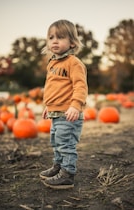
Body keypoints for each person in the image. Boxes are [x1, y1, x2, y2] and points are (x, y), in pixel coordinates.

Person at [39, 19, 88, 189]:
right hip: (56, 112)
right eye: (51, 37)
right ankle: (58, 166)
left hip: (69, 113)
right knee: (56, 142)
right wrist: (49, 106)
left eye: (60, 37)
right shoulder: (52, 63)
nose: (54, 41)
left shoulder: (73, 63)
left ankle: (67, 174)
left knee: (65, 143)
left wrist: (76, 105)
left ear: (72, 43)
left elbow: (80, 86)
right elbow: (54, 88)